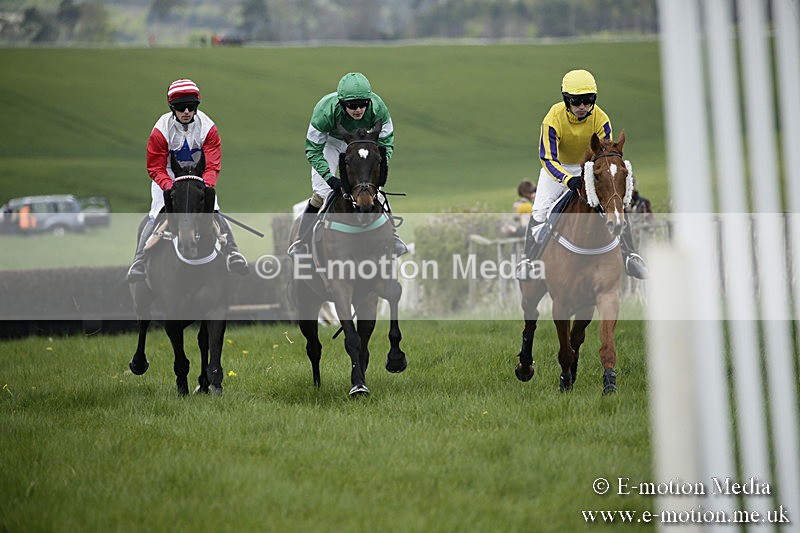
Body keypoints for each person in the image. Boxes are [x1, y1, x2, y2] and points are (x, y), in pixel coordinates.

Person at [521, 69, 648, 279]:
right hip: (557, 169)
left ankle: (631, 256)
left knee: (613, 206)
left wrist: (592, 176)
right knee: (540, 211)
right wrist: (567, 179)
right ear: (566, 100)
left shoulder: (601, 118)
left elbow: (605, 154)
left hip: (589, 168)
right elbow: (547, 158)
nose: (582, 107)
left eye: (588, 100)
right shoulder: (552, 118)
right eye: (576, 101)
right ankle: (528, 260)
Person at [126, 78, 248, 283]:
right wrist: (170, 187)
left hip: (199, 179)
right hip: (167, 178)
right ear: (172, 108)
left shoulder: (208, 128)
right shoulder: (161, 130)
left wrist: (205, 185)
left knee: (215, 209)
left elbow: (212, 165)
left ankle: (232, 251)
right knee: (157, 213)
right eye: (181, 108)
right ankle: (139, 261)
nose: (186, 112)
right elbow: (155, 166)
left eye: (191, 107)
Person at [288, 72, 407, 256]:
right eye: (352, 106)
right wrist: (329, 178)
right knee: (321, 193)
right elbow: (313, 150)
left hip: (363, 141)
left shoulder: (379, 108)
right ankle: (301, 242)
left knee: (374, 189)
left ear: (369, 101)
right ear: (341, 103)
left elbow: (385, 143)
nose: (358, 109)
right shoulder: (324, 111)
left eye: (362, 104)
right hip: (331, 142)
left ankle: (393, 236)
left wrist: (378, 168)